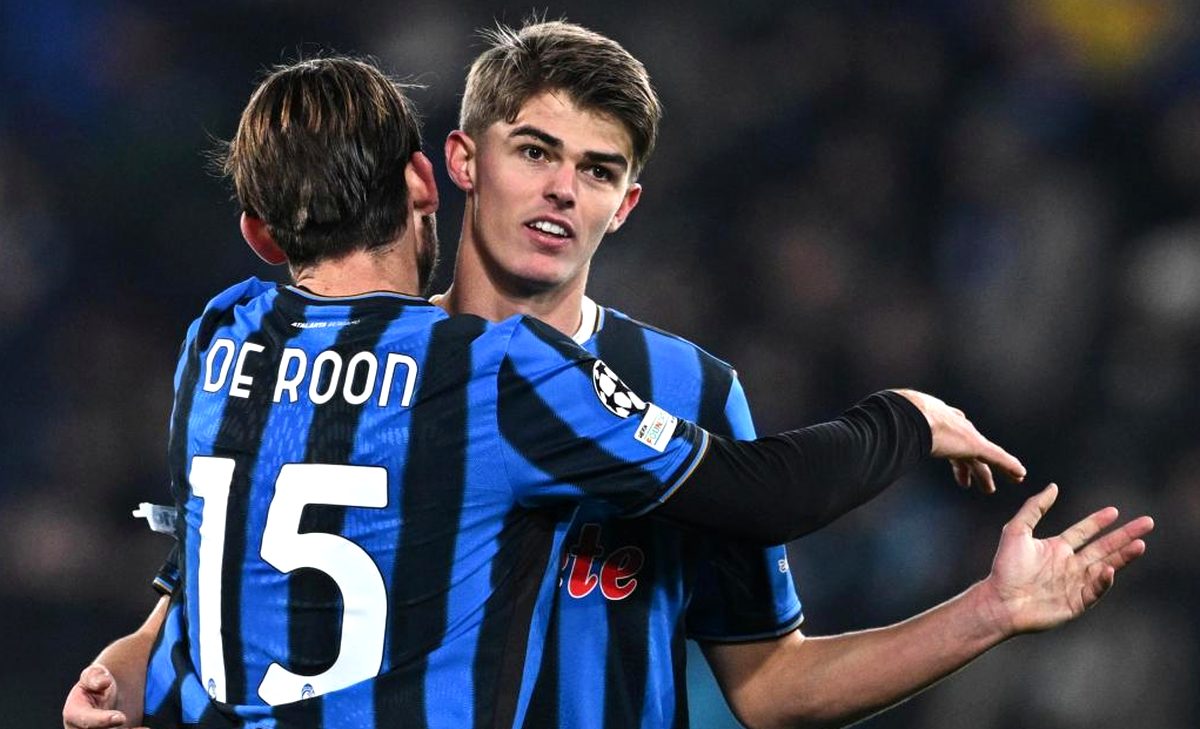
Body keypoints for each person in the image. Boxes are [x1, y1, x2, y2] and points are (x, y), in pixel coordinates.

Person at [63, 54, 1032, 729]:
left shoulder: (225, 334)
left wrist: (988, 610)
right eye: (534, 152)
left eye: (597, 169)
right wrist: (909, 418)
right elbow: (768, 490)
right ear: (446, 170)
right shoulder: (492, 373)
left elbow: (770, 683)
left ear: (626, 202)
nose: (562, 189)